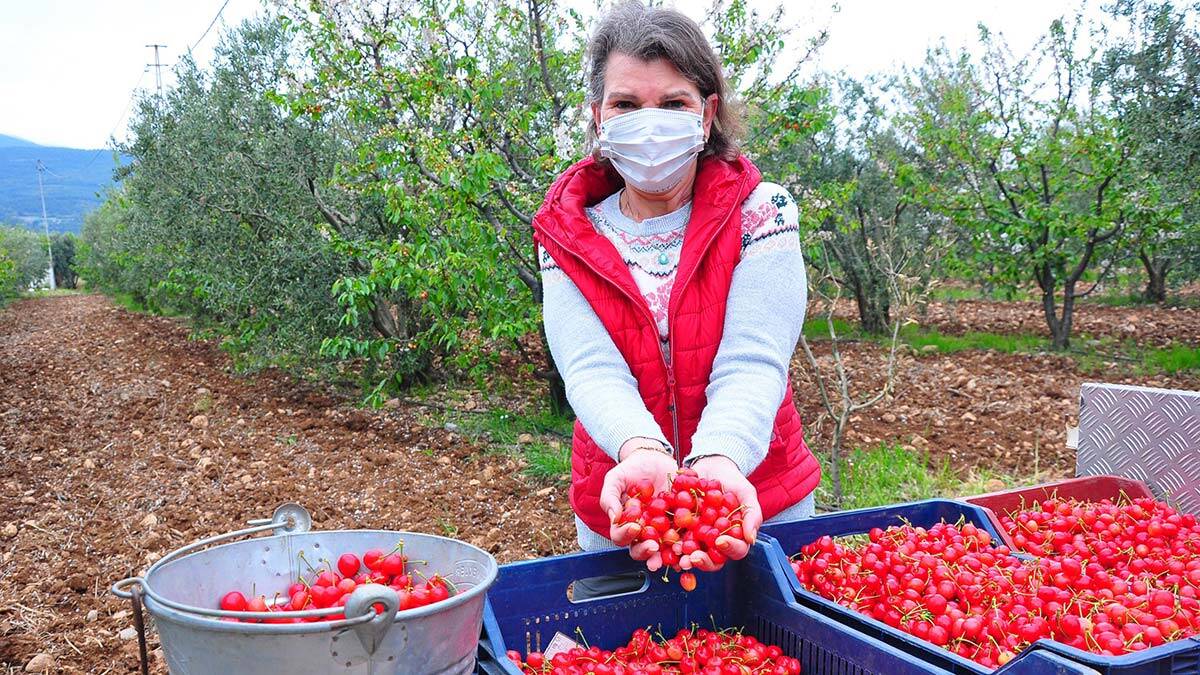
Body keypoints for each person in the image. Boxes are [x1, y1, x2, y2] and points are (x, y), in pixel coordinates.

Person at [535, 1, 820, 594]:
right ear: (598, 116)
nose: (650, 123)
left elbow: (754, 358)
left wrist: (718, 460)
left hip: (757, 497)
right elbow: (589, 366)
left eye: (673, 103)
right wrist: (639, 449)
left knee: (766, 633)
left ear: (707, 114)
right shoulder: (567, 232)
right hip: (624, 504)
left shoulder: (762, 212)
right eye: (625, 104)